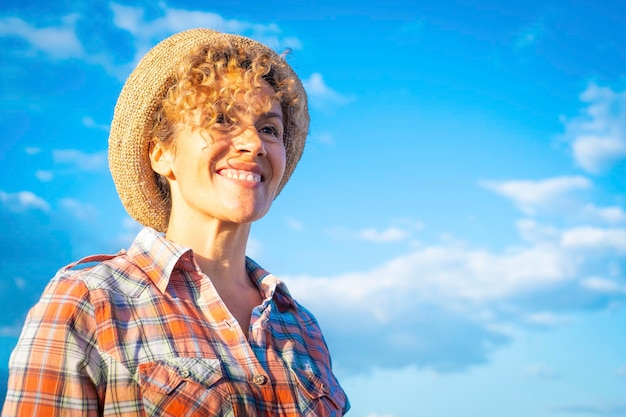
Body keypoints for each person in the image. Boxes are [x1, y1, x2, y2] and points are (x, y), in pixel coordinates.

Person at [2, 28, 349, 416]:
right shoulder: (90, 301)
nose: (253, 142)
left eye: (269, 128)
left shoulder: (300, 327)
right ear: (162, 153)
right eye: (221, 120)